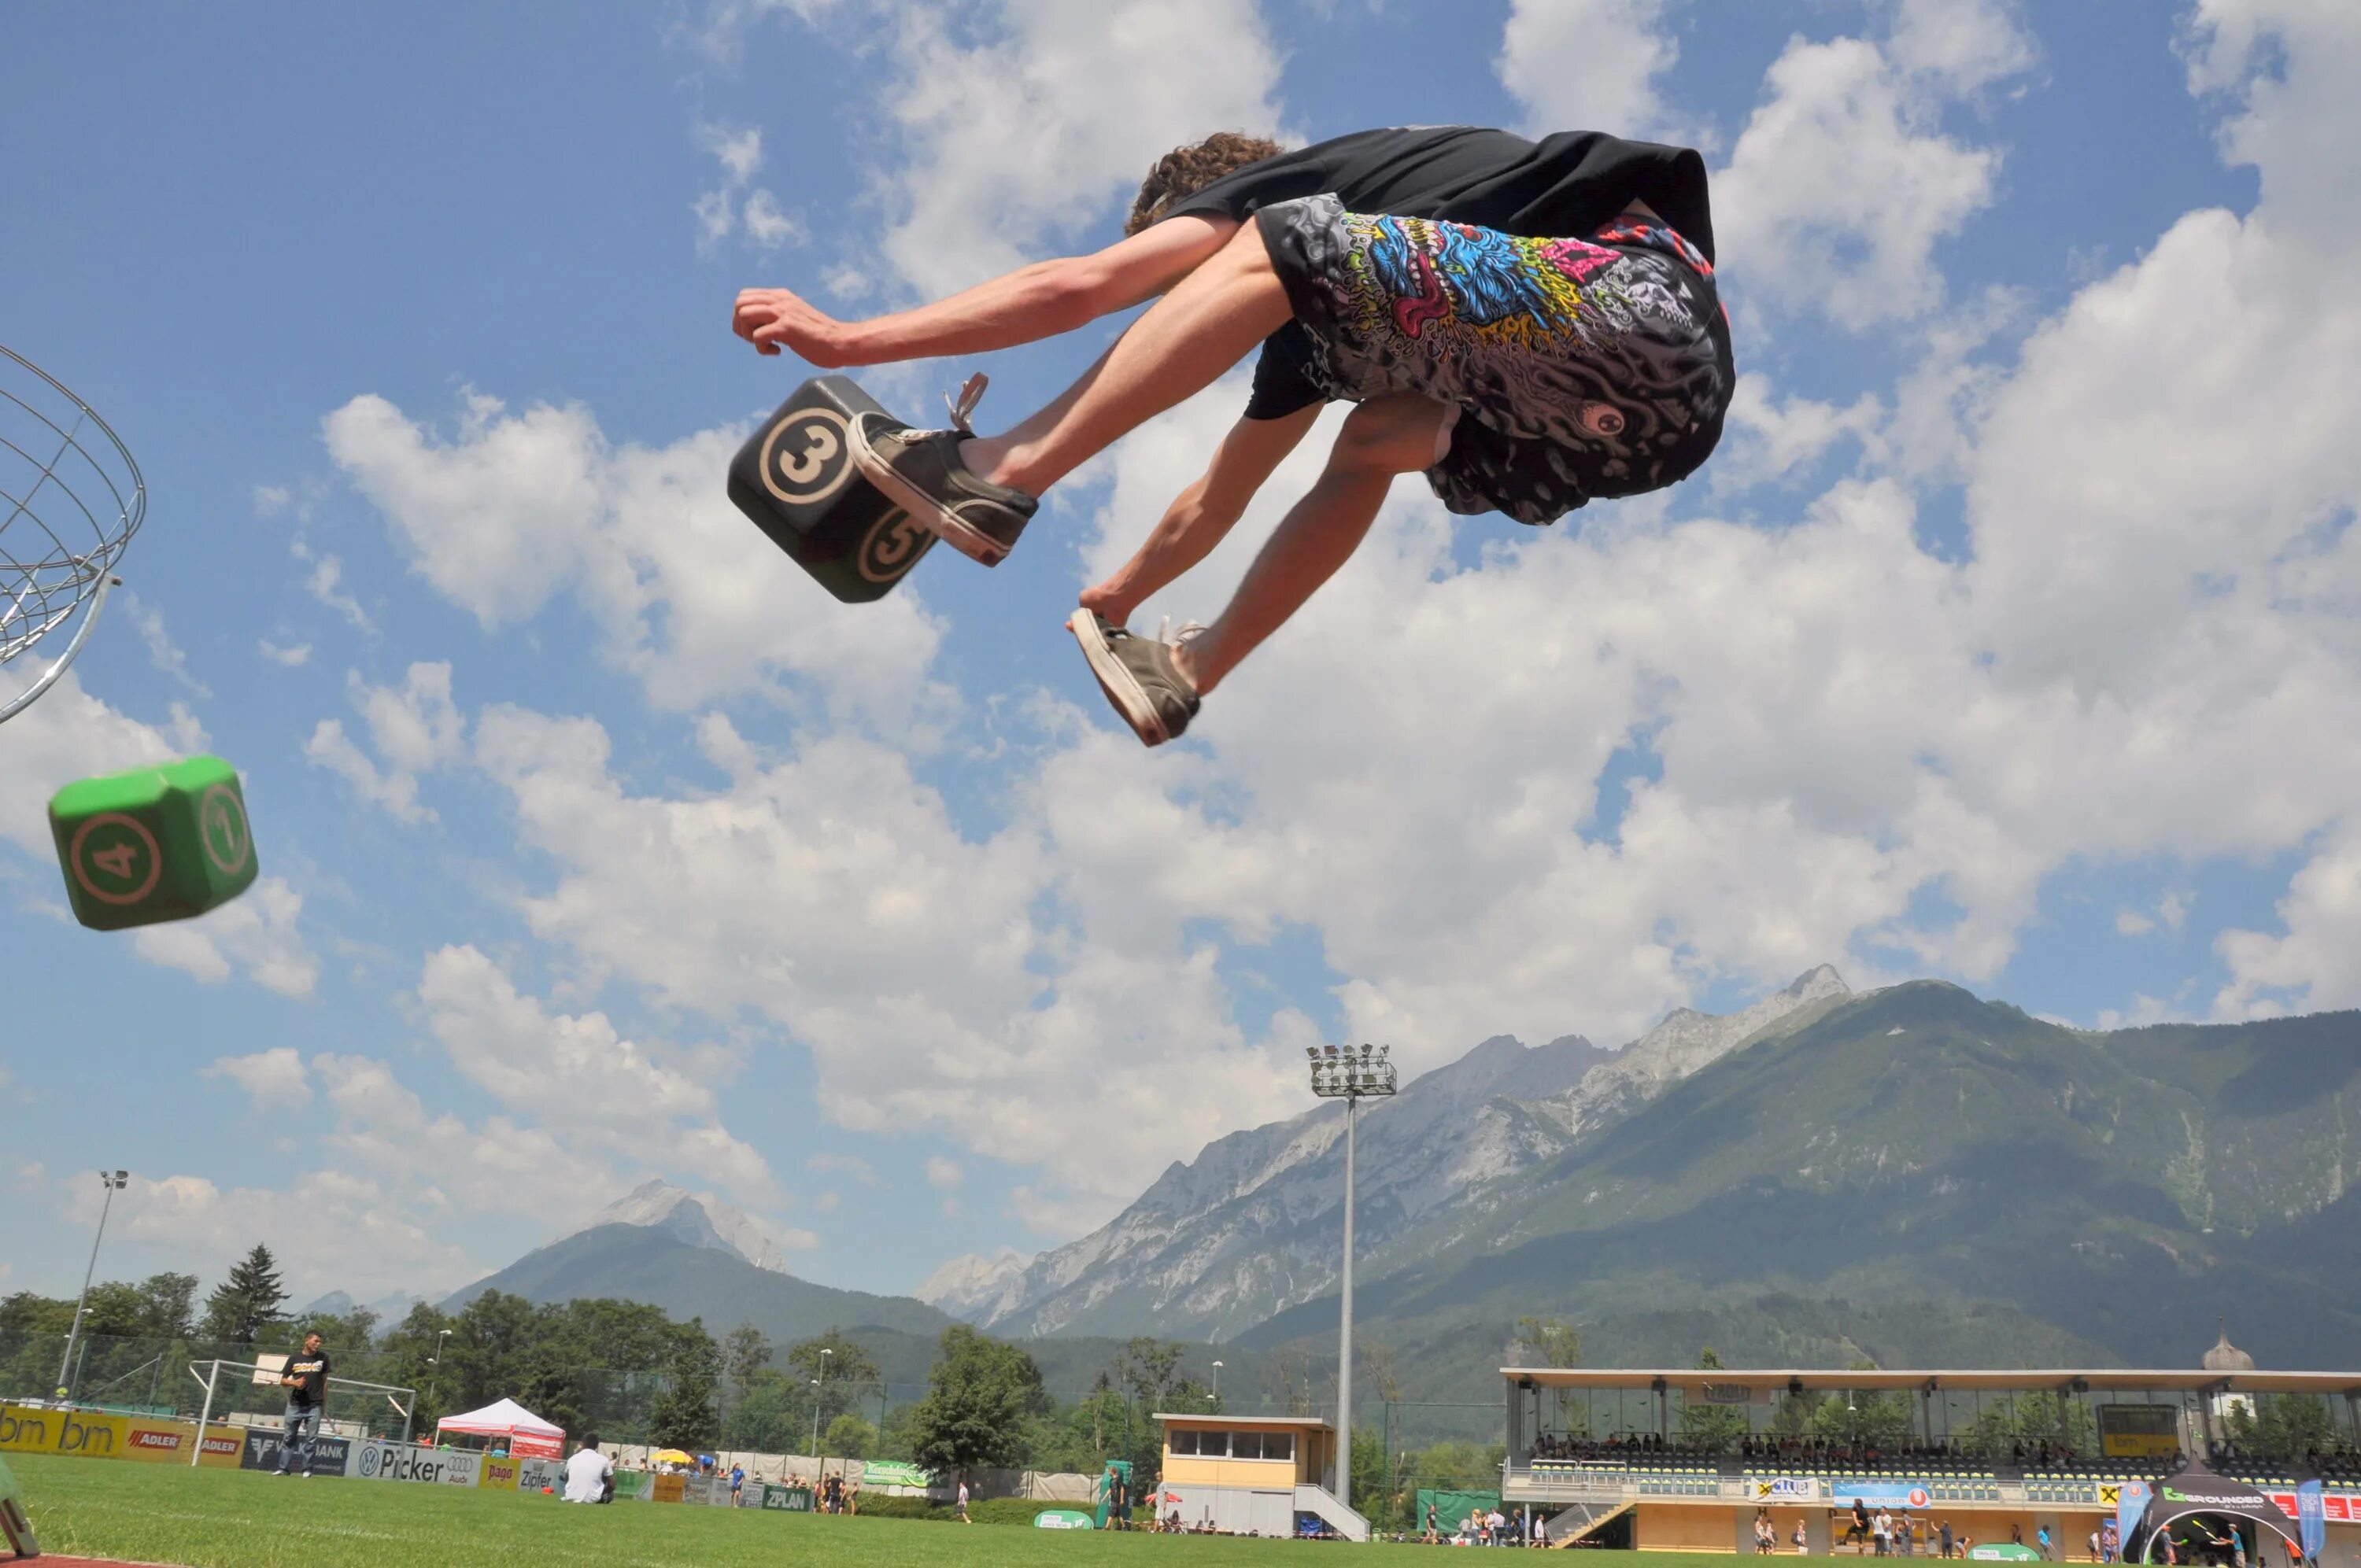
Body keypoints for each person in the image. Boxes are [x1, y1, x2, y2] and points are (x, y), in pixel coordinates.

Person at [733, 126, 1731, 749]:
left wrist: (850, 338)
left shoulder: (1299, 190)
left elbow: (1081, 288)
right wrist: (1117, 600)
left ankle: (1001, 469)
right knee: (1371, 442)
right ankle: (1192, 671)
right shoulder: (1316, 341)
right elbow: (1218, 498)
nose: (1194, 310)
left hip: (1639, 304)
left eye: (1180, 282)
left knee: (1284, 246)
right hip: (1642, 439)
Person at [271, 1331, 331, 1477]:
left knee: (311, 1439)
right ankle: (283, 1469)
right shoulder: (294, 1358)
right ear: (306, 1341)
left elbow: (325, 1383)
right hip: (295, 1404)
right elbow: (282, 1380)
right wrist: (294, 1382)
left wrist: (324, 1404)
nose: (318, 1344)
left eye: (319, 1342)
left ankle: (307, 1470)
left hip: (314, 1405)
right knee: (289, 1437)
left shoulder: (324, 1358)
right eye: (315, 1341)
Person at [563, 1433, 614, 1504]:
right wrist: (604, 1492)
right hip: (593, 1499)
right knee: (610, 1493)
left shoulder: (572, 1459)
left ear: (582, 1444)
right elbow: (612, 1484)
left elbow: (566, 1479)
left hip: (570, 1496)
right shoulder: (604, 1460)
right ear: (597, 1445)